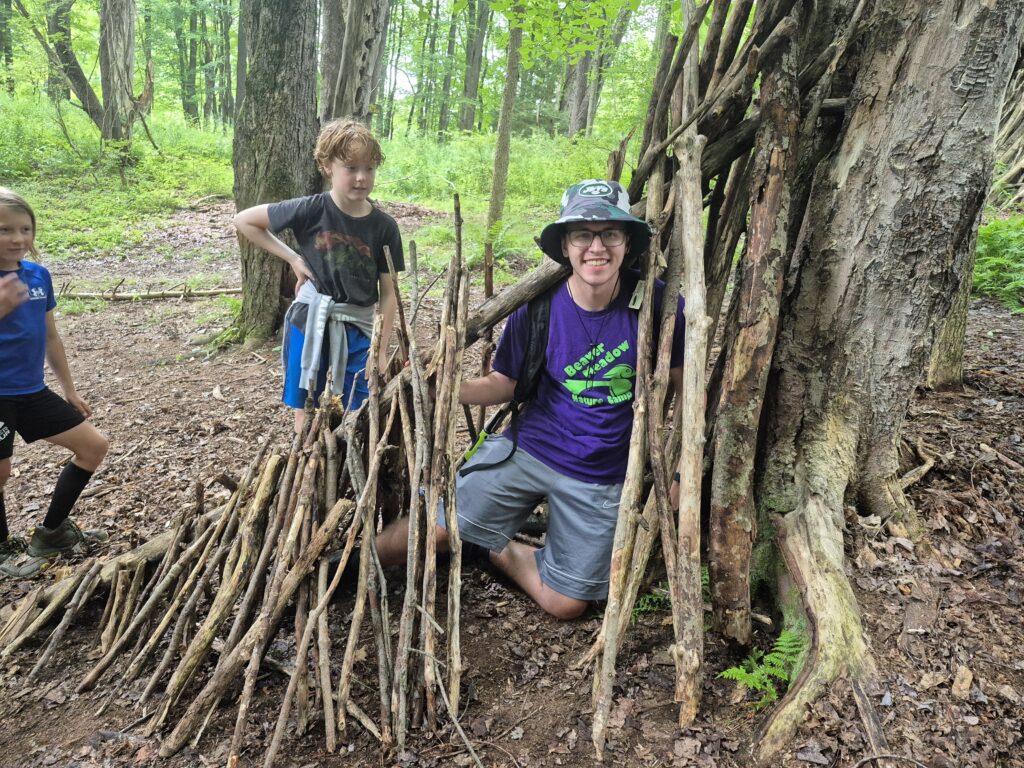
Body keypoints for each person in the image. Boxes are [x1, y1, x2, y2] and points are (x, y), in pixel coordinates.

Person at [375, 180, 685, 619]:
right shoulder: (539, 307)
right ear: (565, 244)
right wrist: (451, 388)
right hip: (530, 447)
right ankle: (347, 566)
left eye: (610, 233)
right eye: (583, 234)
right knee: (439, 525)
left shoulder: (658, 307)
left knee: (567, 604)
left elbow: (689, 394)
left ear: (628, 242)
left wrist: (678, 474)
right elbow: (506, 383)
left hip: (602, 472)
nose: (596, 247)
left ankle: (499, 549)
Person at [234, 118, 404, 433]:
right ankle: (307, 463)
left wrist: (380, 351)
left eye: (369, 168)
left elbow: (390, 292)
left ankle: (350, 472)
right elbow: (244, 221)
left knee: (359, 406)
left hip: (359, 327)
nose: (361, 177)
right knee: (306, 405)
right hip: (310, 320)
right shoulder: (311, 209)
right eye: (350, 168)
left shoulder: (384, 227)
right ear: (327, 166)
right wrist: (293, 258)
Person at [0, 188, 109, 578]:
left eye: (25, 229)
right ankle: (1, 550)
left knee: (93, 446)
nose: (17, 239)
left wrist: (70, 389)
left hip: (31, 391)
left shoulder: (37, 275)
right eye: (5, 230)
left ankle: (51, 533)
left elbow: (50, 336)